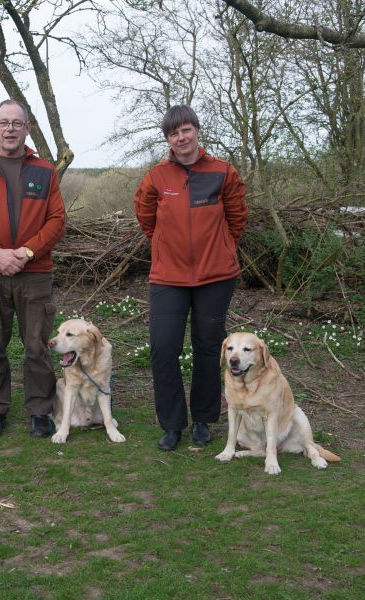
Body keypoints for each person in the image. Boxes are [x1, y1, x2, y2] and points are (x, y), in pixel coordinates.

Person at [133, 105, 248, 451]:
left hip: (216, 277)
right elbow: (146, 218)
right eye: (173, 133)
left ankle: (202, 420)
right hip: (168, 277)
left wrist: (221, 246)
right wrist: (165, 245)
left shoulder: (222, 171)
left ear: (197, 131)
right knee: (164, 348)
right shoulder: (157, 177)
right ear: (168, 139)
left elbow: (237, 216)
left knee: (209, 348)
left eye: (186, 130)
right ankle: (171, 424)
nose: (181, 138)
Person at [0, 99, 66, 439]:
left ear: (27, 128)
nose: (10, 129)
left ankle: (39, 411)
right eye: (3, 123)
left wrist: (27, 252)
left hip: (35, 273)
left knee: (36, 344)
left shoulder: (45, 170)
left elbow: (57, 220)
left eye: (16, 123)